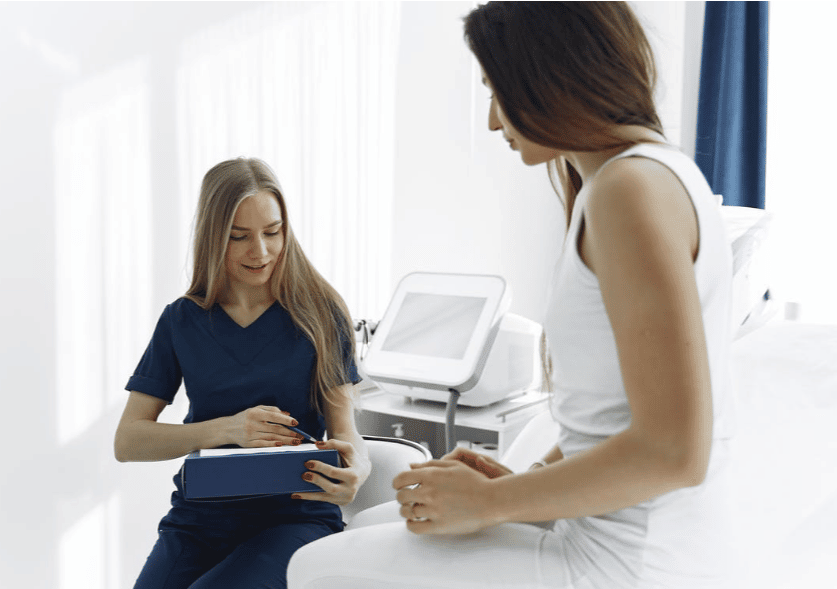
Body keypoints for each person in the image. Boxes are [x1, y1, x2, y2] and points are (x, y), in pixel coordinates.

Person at [287, 2, 738, 588]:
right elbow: (606, 421)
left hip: (626, 563)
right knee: (373, 521)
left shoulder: (629, 190)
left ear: (547, 76)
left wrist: (492, 504)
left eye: (496, 92)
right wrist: (508, 484)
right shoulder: (641, 178)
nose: (495, 122)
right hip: (608, 535)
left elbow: (676, 451)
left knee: (312, 567)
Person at [114, 157, 371, 589]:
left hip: (294, 518)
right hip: (199, 519)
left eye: (273, 232)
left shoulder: (321, 313)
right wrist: (225, 429)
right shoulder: (182, 320)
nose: (262, 251)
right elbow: (128, 440)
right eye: (239, 237)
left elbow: (348, 433)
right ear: (213, 238)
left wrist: (357, 472)